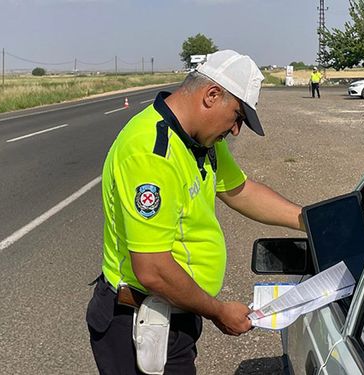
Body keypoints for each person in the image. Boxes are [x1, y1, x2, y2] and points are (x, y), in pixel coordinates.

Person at [85, 49, 304, 374]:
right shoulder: (151, 153)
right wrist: (217, 311)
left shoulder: (201, 142)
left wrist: (309, 221)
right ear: (211, 95)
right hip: (139, 322)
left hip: (175, 312)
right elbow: (152, 269)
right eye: (237, 116)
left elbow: (239, 191)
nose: (235, 131)